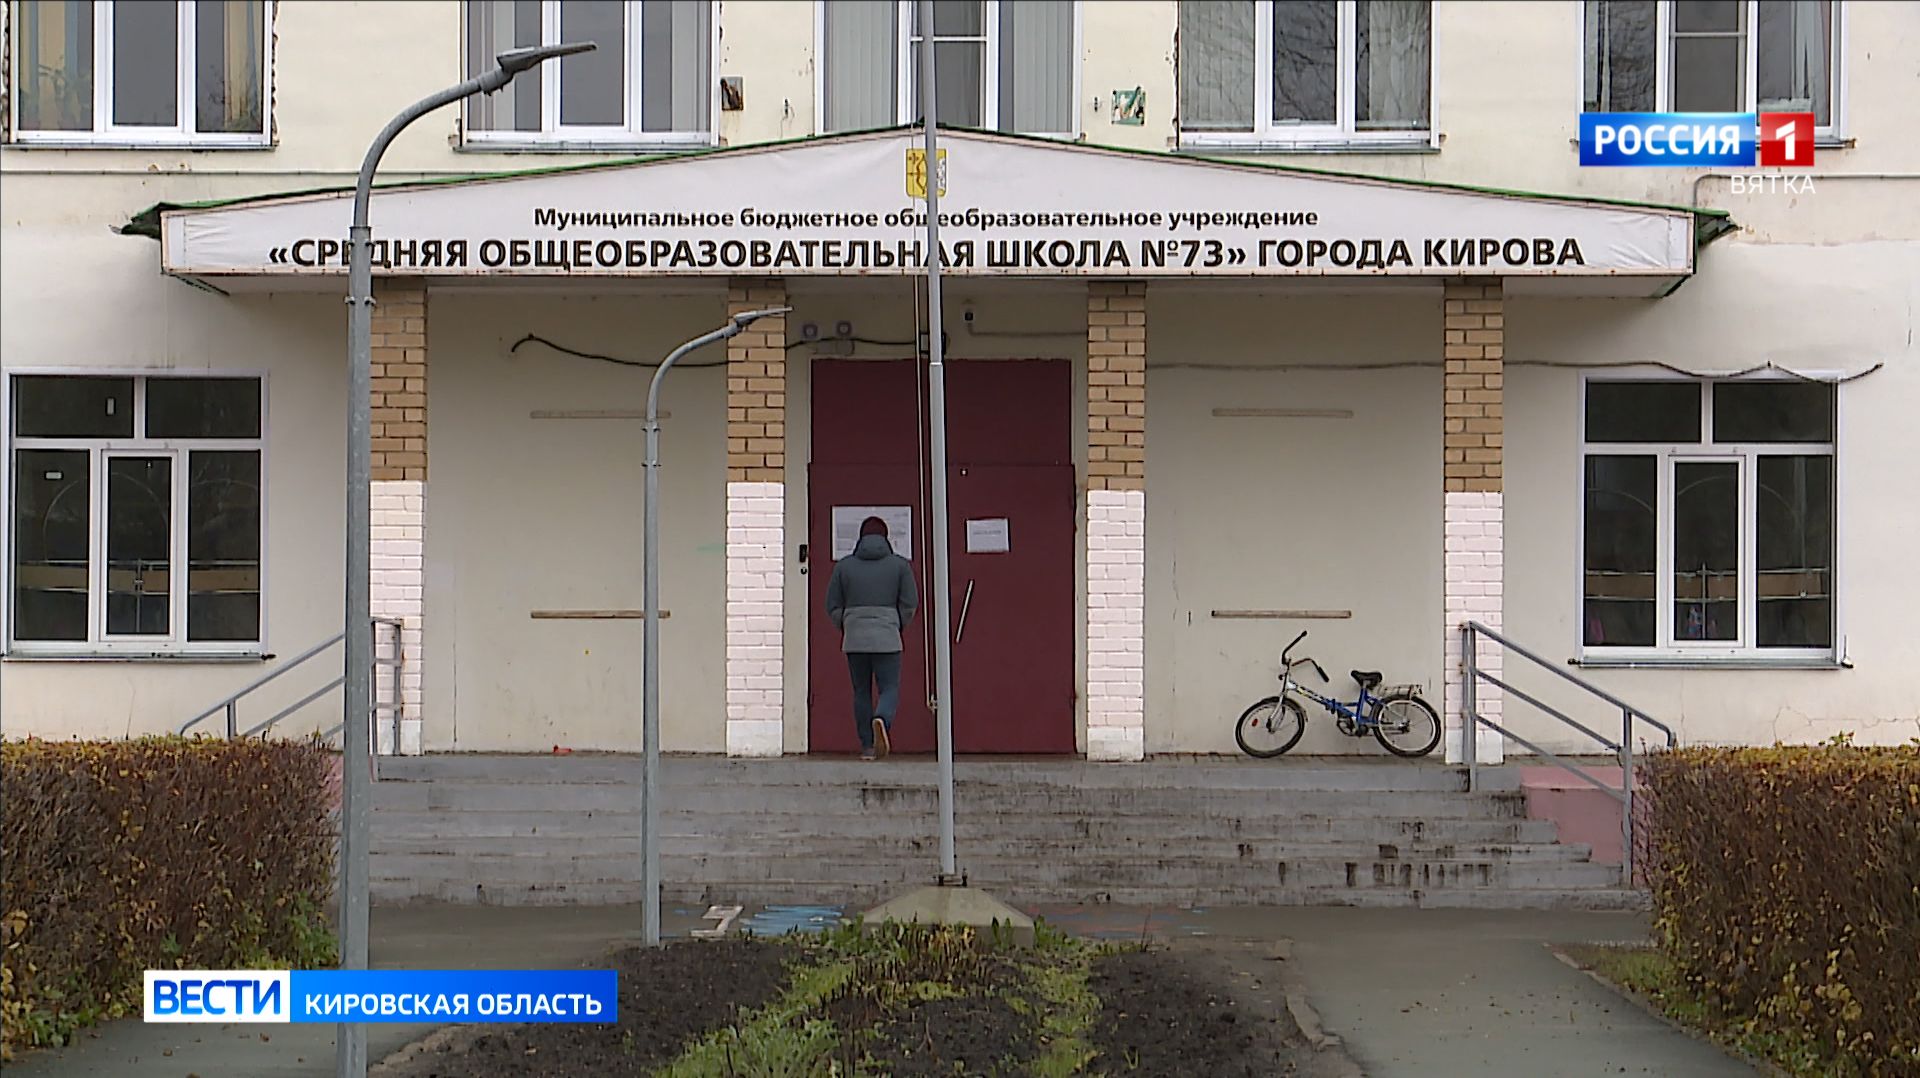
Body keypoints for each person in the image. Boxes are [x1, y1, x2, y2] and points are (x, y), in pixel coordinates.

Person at [825, 516, 918, 759]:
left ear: (861, 537)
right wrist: (897, 624)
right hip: (888, 635)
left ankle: (867, 746)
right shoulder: (900, 566)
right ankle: (882, 719)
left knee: (861, 691)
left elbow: (832, 604)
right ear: (886, 537)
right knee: (889, 687)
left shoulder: (844, 567)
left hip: (854, 638)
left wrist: (847, 624)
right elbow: (910, 603)